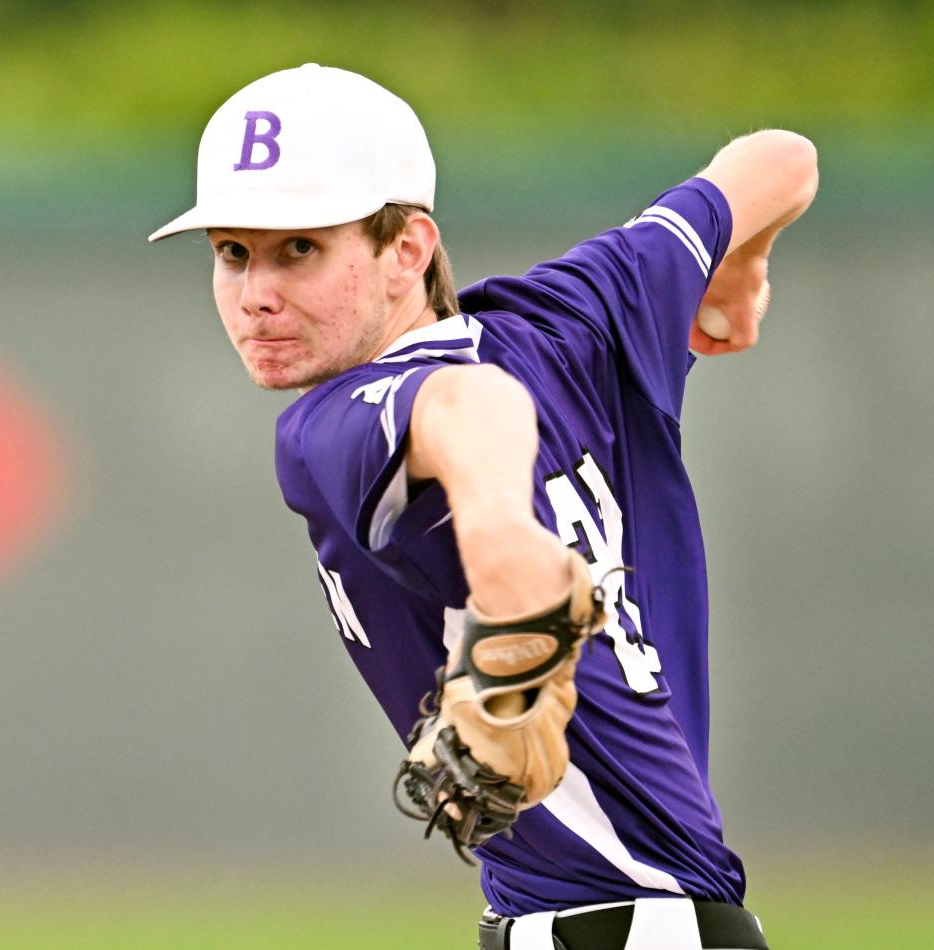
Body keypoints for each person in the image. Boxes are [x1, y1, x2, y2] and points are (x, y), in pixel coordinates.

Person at [150, 63, 817, 950]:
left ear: (408, 250)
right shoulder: (579, 314)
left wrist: (506, 548)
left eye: (299, 249)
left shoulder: (327, 427)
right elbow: (780, 159)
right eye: (233, 252)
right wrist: (738, 262)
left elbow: (467, 405)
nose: (255, 293)